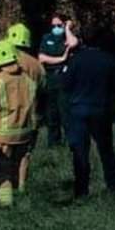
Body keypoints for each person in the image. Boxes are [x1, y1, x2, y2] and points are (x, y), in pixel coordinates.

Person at [62, 27, 115, 198]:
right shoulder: (110, 61)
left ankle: (81, 189)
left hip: (79, 108)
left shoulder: (76, 60)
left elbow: (65, 85)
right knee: (106, 149)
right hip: (101, 108)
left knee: (80, 152)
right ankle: (114, 185)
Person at [0, 40, 37, 207]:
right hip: (25, 130)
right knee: (21, 162)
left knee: (1, 165)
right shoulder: (28, 80)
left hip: (2, 132)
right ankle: (21, 192)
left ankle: (2, 198)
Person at [6, 22, 45, 191]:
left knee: (5, 152)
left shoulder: (6, 61)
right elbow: (43, 88)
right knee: (25, 152)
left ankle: (3, 186)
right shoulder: (37, 65)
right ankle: (21, 187)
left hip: (8, 115)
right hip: (31, 114)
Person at [37, 14, 78, 146]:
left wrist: (67, 29)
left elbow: (73, 43)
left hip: (64, 77)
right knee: (51, 113)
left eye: (59, 25)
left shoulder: (68, 37)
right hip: (50, 77)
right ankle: (54, 143)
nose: (56, 28)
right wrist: (61, 59)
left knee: (65, 112)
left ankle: (72, 141)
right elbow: (42, 58)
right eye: (53, 26)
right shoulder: (47, 38)